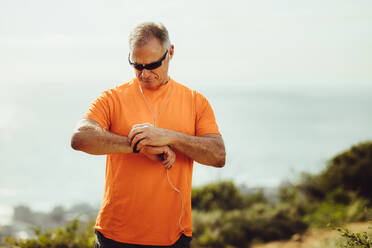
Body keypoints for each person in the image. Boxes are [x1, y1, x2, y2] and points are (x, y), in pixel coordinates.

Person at [71, 22, 226, 248]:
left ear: (170, 52)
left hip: (173, 237)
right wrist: (138, 145)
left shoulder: (195, 101)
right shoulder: (112, 98)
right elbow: (80, 138)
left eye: (153, 65)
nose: (144, 74)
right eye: (137, 65)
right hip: (115, 236)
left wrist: (170, 137)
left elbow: (218, 155)